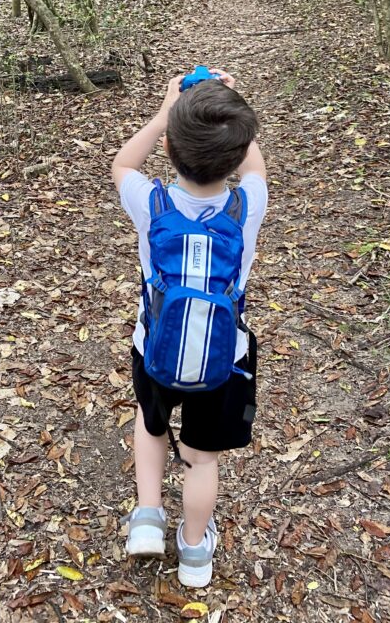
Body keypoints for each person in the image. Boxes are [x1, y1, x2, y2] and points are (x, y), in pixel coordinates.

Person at [111, 72, 268, 588]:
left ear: (172, 147)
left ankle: (148, 519)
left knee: (151, 425)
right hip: (226, 360)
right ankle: (195, 552)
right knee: (203, 459)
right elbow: (255, 163)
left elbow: (122, 163)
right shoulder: (248, 206)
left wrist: (165, 112)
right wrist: (229, 107)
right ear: (238, 149)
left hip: (154, 347)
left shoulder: (149, 203)